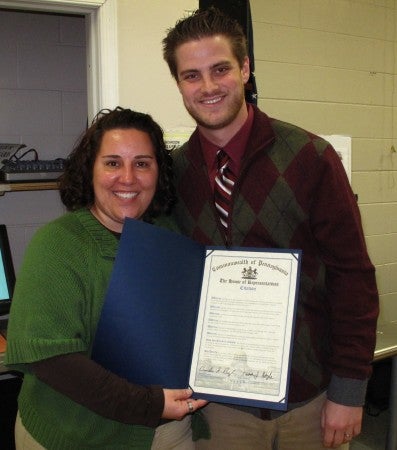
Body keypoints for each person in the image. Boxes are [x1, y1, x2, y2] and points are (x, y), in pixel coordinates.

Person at [162, 7, 379, 450]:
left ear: (245, 68)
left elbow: (353, 278)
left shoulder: (311, 158)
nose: (207, 87)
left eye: (220, 69)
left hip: (310, 400)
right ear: (179, 83)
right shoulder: (172, 175)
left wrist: (349, 391)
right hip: (218, 406)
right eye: (191, 75)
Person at [4, 107, 207, 450]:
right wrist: (149, 404)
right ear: (91, 170)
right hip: (74, 434)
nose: (127, 177)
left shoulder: (169, 236)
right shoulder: (58, 244)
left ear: (159, 172)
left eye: (142, 163)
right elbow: (53, 361)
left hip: (166, 432)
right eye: (112, 162)